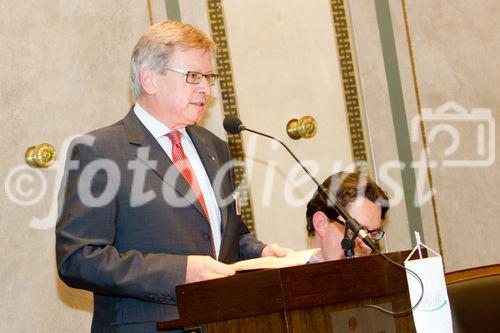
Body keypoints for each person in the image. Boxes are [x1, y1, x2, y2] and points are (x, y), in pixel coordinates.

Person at [56, 20, 289, 332]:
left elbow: (229, 234)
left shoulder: (214, 148)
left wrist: (261, 252)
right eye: (193, 76)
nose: (206, 88)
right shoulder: (100, 151)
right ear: (150, 79)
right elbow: (79, 258)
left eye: (209, 77)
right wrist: (180, 271)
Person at [306, 172, 389, 262]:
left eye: (374, 234)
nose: (367, 246)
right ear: (321, 223)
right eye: (357, 231)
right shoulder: (291, 274)